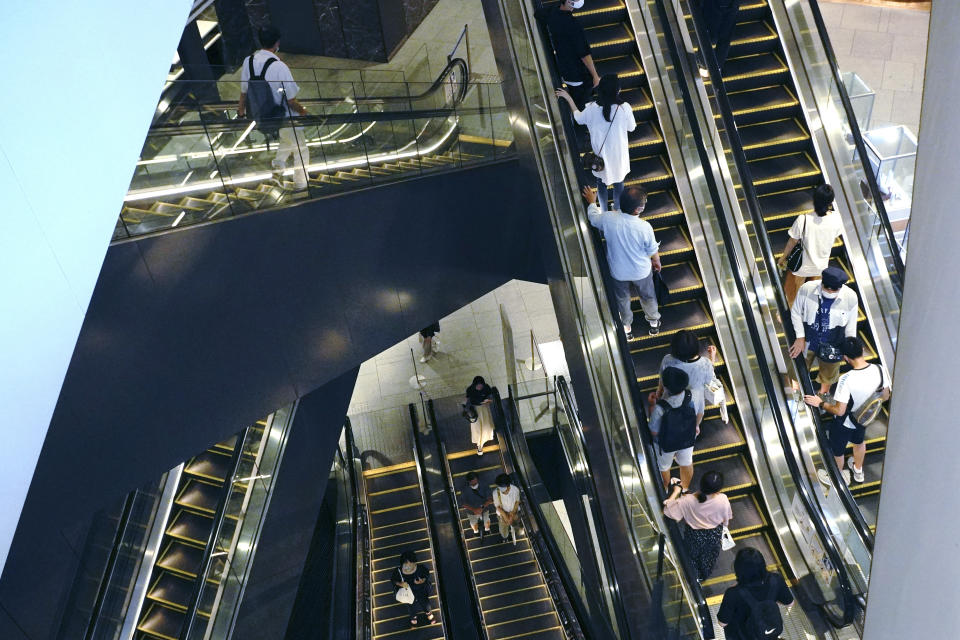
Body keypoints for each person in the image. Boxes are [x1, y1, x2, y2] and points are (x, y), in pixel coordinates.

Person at [803, 336, 891, 484]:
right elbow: (886, 396)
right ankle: (858, 471)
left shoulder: (847, 379)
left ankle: (836, 477)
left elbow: (839, 411)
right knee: (859, 442)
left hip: (845, 423)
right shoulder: (880, 369)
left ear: (845, 358)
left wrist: (820, 403)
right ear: (863, 350)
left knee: (838, 450)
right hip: (865, 418)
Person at [583, 185, 662, 338]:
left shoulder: (608, 219)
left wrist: (592, 203)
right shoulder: (644, 227)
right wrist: (656, 261)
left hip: (618, 272)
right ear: (637, 210)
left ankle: (627, 328)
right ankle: (653, 323)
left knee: (622, 300)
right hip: (641, 271)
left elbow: (593, 219)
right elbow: (652, 249)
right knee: (648, 296)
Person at [238, 27, 311, 191]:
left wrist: (241, 114)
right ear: (277, 43)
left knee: (286, 142)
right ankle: (301, 184)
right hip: (284, 116)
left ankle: (277, 173)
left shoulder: (248, 62)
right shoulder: (279, 67)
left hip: (262, 116)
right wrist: (304, 112)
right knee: (301, 149)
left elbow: (243, 93)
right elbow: (291, 99)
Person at [556, 74, 637, 213]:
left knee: (601, 184)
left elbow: (578, 118)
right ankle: (617, 209)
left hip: (600, 158)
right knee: (619, 184)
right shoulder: (624, 108)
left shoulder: (592, 108)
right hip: (619, 157)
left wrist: (568, 98)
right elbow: (632, 127)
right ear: (617, 90)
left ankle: (604, 210)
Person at [788, 266, 859, 397]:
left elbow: (850, 326)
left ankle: (823, 395)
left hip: (834, 343)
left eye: (834, 289)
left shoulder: (850, 297)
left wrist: (848, 348)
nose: (830, 291)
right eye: (827, 288)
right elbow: (796, 312)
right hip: (808, 338)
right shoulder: (807, 289)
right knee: (797, 369)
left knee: (829, 374)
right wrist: (800, 337)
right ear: (822, 282)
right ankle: (796, 392)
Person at [778, 185, 844, 307]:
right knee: (813, 295)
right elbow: (835, 234)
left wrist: (783, 257)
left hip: (801, 266)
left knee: (793, 294)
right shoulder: (837, 219)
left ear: (814, 200)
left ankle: (791, 313)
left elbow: (792, 242)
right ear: (830, 202)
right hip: (821, 266)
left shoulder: (803, 220)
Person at [663, 471, 732, 581]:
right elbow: (726, 519)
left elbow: (668, 512)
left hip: (694, 536)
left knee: (691, 557)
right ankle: (703, 576)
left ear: (701, 483)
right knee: (708, 558)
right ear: (719, 489)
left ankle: (693, 578)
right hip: (714, 534)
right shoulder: (723, 499)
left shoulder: (687, 501)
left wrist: (676, 491)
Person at [536, 0, 601, 109]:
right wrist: (595, 75)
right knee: (582, 104)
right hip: (577, 74)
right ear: (569, 2)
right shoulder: (573, 24)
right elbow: (584, 53)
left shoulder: (551, 11)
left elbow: (538, 14)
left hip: (564, 67)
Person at [717, 547, 793, 640]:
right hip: (767, 634)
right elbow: (790, 603)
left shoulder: (733, 593)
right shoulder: (776, 579)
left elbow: (722, 623)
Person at [648, 367, 699, 490]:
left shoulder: (660, 408)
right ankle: (685, 488)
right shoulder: (691, 397)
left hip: (666, 444)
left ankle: (666, 488)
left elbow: (654, 431)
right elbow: (695, 415)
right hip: (687, 438)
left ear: (666, 387)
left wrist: (651, 406)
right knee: (686, 462)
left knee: (664, 466)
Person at [658, 330, 719, 427]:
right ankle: (695, 429)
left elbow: (662, 377)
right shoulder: (705, 363)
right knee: (696, 418)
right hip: (694, 401)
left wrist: (659, 392)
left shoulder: (668, 360)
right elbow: (709, 379)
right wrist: (712, 357)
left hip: (670, 398)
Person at [391, 550, 435, 627]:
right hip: (408, 593)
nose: (408, 566)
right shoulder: (398, 571)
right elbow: (393, 580)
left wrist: (422, 580)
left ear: (414, 562)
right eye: (406, 564)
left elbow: (426, 574)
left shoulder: (420, 568)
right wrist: (401, 584)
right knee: (411, 605)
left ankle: (428, 613)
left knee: (425, 603)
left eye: (410, 563)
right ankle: (413, 616)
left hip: (421, 590)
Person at [698, 0, 744, 71]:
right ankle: (707, 65)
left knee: (722, 36)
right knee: (709, 35)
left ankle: (711, 66)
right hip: (717, 6)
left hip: (729, 6)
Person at [466, 376, 495, 456]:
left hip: (485, 409)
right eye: (478, 385)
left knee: (485, 426)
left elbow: (490, 398)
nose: (480, 387)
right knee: (477, 427)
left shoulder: (486, 388)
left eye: (481, 385)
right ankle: (479, 445)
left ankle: (480, 445)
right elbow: (469, 401)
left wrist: (488, 401)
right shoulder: (470, 390)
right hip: (475, 410)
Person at [461, 471, 492, 536]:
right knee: (473, 523)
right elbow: (463, 503)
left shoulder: (484, 485)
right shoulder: (464, 489)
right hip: (471, 510)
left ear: (477, 479)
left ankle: (487, 529)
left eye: (474, 480)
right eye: (471, 481)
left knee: (487, 521)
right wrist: (474, 510)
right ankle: (476, 531)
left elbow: (490, 499)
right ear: (468, 482)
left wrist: (481, 508)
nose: (473, 482)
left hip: (484, 507)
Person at [492, 473, 521, 543]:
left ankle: (518, 533)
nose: (503, 492)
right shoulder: (496, 492)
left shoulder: (515, 490)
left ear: (508, 486)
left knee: (516, 523)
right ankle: (505, 537)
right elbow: (498, 507)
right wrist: (506, 517)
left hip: (514, 512)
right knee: (503, 528)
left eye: (505, 490)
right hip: (502, 514)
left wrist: (512, 514)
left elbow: (517, 502)